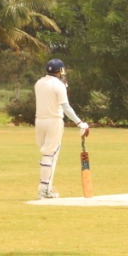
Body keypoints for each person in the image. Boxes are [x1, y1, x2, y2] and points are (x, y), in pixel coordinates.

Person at [34, 58, 89, 199]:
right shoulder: (59, 86)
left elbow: (49, 96)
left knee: (46, 155)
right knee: (50, 155)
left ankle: (46, 188)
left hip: (39, 122)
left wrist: (63, 86)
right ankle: (44, 190)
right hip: (54, 121)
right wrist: (79, 123)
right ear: (60, 71)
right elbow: (65, 107)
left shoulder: (38, 83)